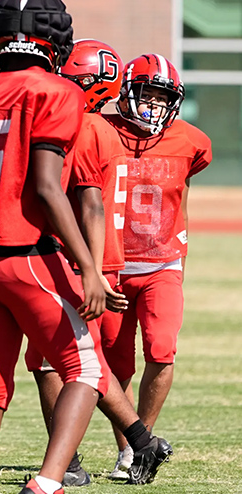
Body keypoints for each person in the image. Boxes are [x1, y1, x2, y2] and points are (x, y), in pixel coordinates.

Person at [0, 2, 173, 492]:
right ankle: (49, 483)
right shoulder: (54, 90)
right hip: (23, 254)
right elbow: (46, 186)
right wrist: (89, 268)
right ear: (57, 42)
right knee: (84, 367)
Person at [22, 38, 129, 487]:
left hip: (80, 261)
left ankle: (127, 445)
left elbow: (91, 205)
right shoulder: (90, 123)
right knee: (67, 362)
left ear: (101, 85)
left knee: (63, 364)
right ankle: (126, 446)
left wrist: (94, 269)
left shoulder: (83, 125)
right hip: (80, 259)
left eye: (79, 80)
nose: (66, 83)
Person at [101, 53, 212, 481]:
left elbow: (187, 175)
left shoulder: (191, 140)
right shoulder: (102, 129)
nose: (154, 105)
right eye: (146, 94)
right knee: (114, 365)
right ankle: (129, 449)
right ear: (127, 94)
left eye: (163, 97)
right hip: (111, 264)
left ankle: (143, 441)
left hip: (162, 262)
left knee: (162, 349)